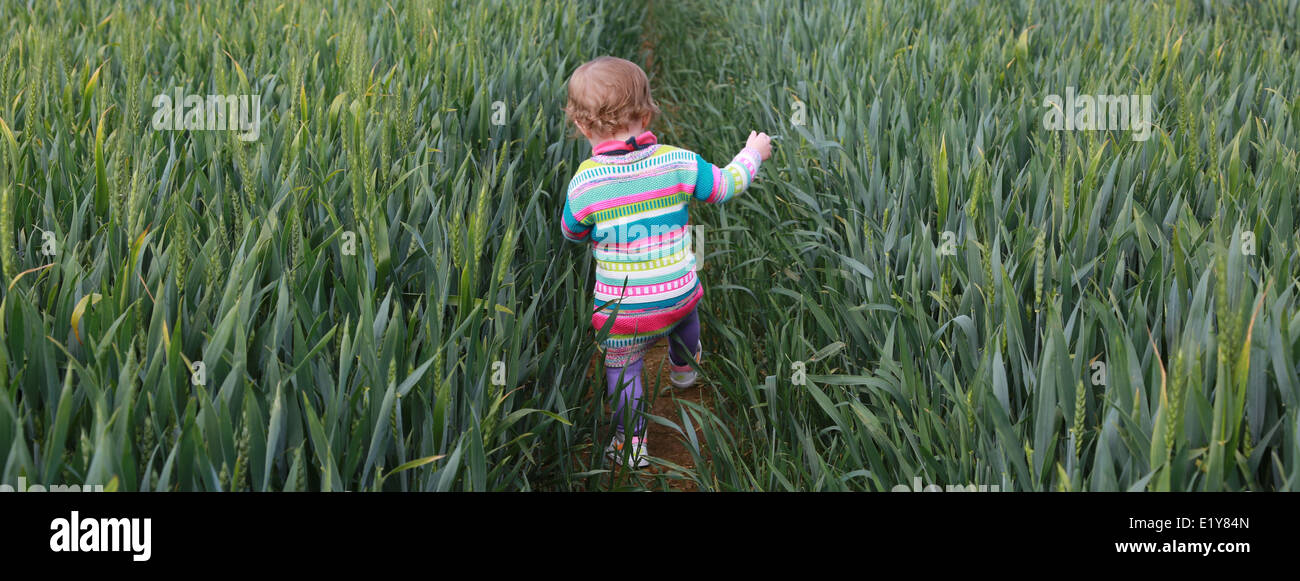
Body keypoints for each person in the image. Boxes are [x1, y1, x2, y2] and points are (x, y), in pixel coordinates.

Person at [560, 56, 771, 468]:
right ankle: (684, 370)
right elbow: (726, 185)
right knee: (685, 312)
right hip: (678, 292)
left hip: (624, 311)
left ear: (582, 127)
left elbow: (572, 232)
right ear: (646, 112)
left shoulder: (585, 181)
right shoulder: (677, 160)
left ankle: (630, 445)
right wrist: (752, 154)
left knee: (622, 371)